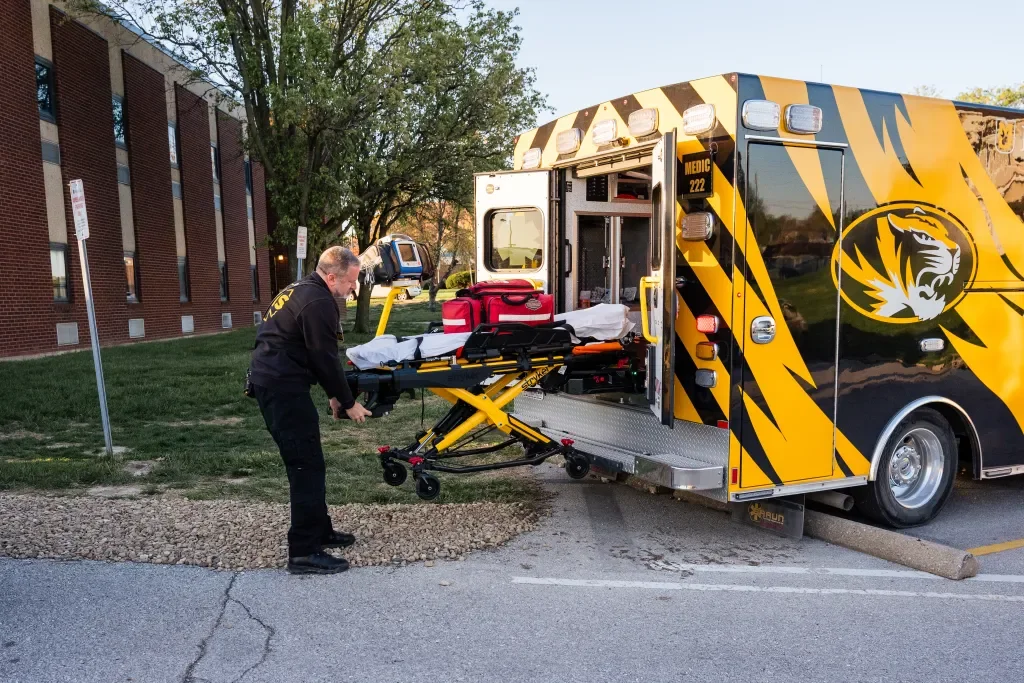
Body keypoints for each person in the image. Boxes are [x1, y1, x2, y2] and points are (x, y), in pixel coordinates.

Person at [248, 246, 373, 575]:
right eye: (350, 282)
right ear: (332, 277)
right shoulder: (319, 301)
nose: (352, 289)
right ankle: (303, 552)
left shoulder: (302, 289)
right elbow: (325, 357)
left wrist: (334, 395)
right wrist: (348, 402)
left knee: (311, 461)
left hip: (277, 382)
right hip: (281, 388)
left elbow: (312, 351)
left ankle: (319, 530)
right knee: (305, 466)